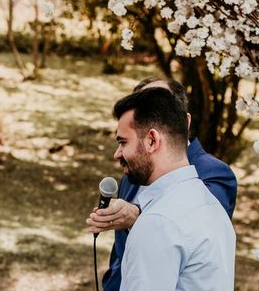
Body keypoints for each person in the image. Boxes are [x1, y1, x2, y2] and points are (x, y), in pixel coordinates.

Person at [87, 78, 237, 291]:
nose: (117, 154)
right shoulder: (211, 207)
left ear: (151, 141)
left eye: (123, 142)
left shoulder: (157, 222)